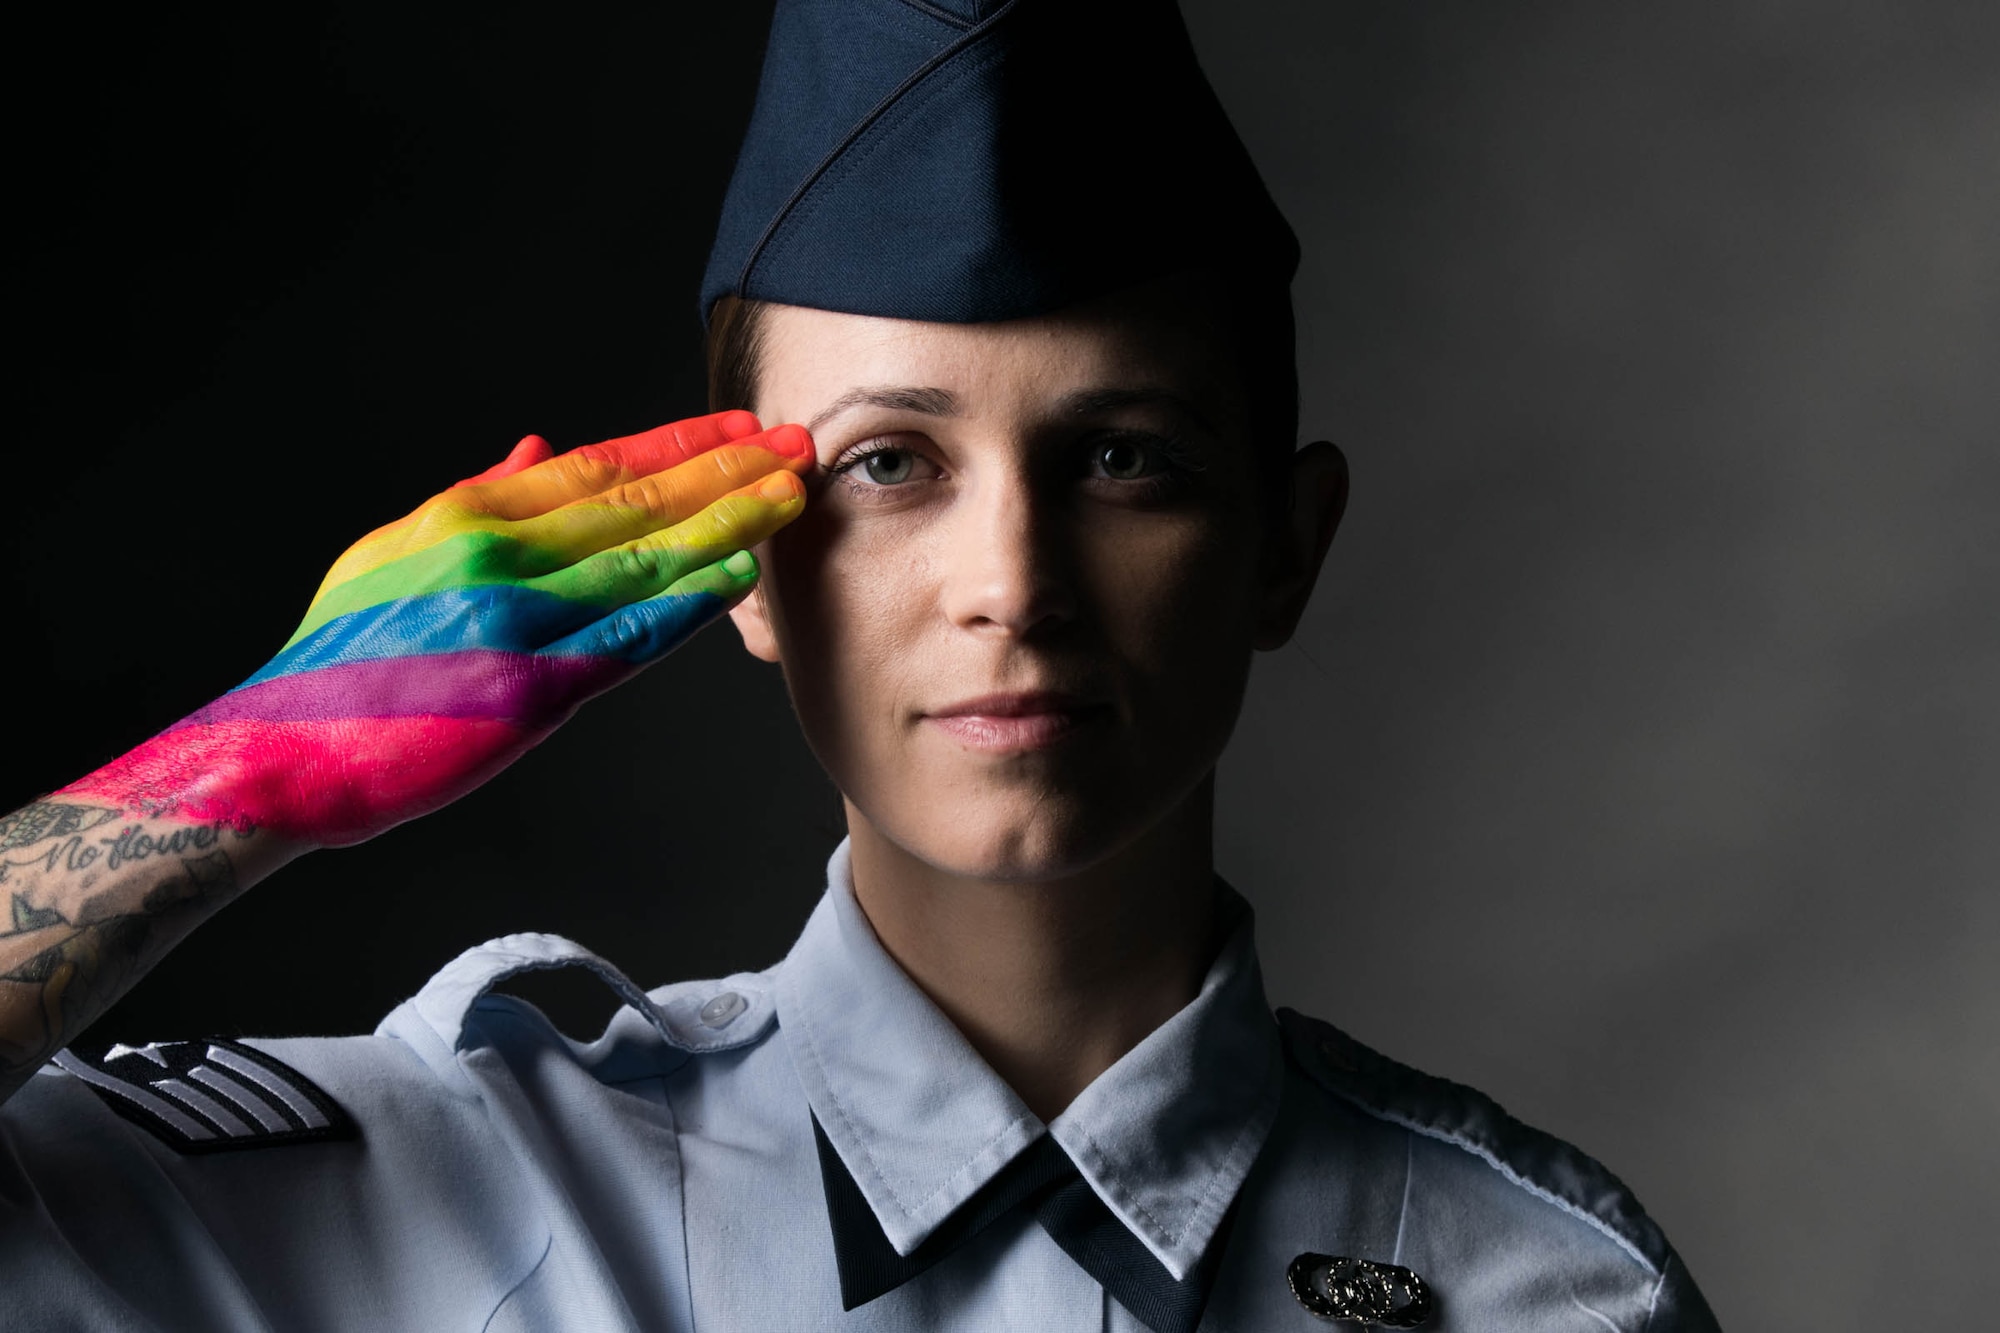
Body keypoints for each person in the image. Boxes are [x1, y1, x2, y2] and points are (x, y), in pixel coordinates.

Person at [0, 1, 1720, 1328]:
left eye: (1125, 457)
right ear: (744, 562)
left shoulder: (1544, 1286)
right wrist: (235, 774)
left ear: (1286, 540)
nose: (1013, 584)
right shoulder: (429, 1189)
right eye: (891, 463)